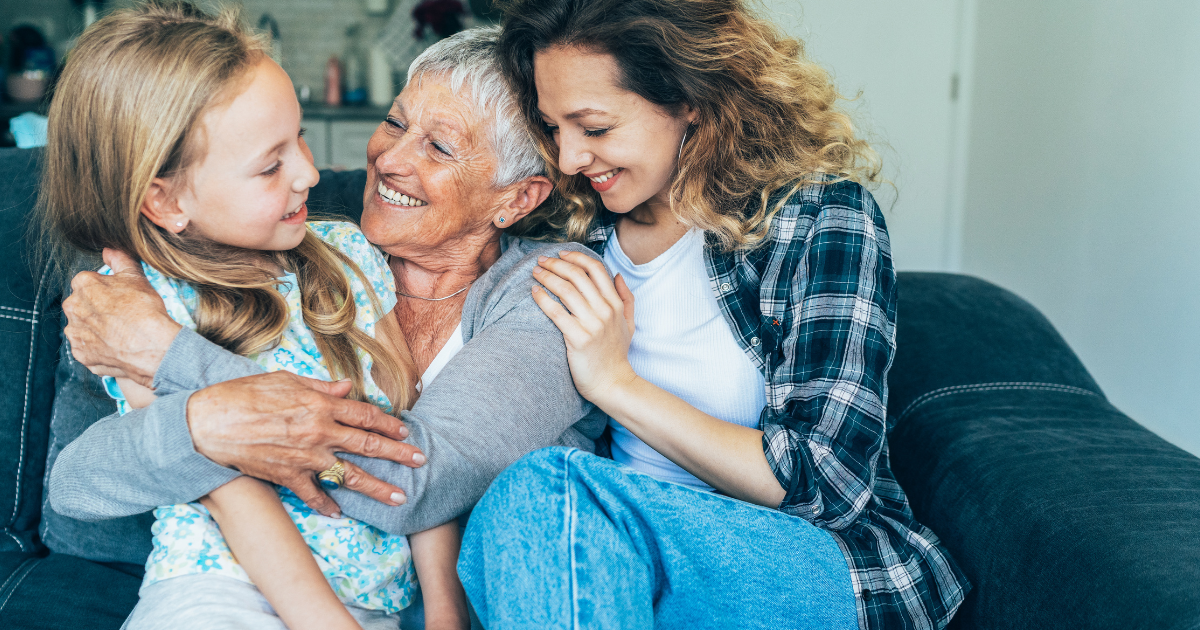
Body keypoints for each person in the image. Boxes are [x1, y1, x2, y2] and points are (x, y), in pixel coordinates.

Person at [44, 18, 605, 626]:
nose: (388, 158)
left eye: (439, 146)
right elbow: (77, 486)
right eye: (394, 122)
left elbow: (419, 479)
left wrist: (174, 363)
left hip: (380, 602)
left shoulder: (541, 290)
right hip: (219, 591)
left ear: (517, 197)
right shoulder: (276, 264)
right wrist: (201, 420)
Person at [456, 0, 969, 628]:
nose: (568, 160)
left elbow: (825, 483)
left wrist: (615, 384)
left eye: (593, 128)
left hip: (812, 563)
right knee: (505, 526)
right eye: (553, 128)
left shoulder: (817, 218)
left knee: (546, 492)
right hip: (607, 567)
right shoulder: (568, 233)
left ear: (689, 99)